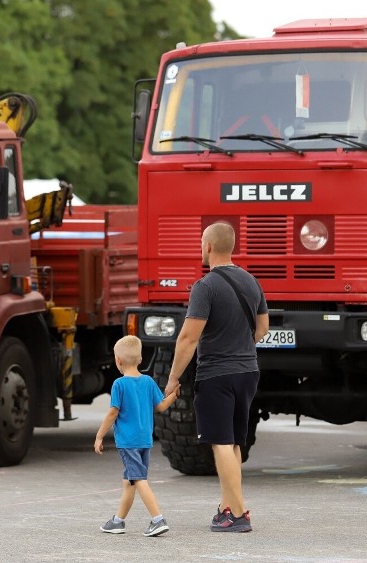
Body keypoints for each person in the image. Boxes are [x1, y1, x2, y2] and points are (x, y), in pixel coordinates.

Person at [163, 221, 269, 533]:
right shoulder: (251, 281)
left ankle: (238, 514)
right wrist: (239, 345)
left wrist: (173, 377)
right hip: (248, 371)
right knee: (234, 442)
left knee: (221, 443)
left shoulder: (205, 286)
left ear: (208, 246)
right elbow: (262, 329)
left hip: (216, 375)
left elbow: (188, 338)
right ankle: (227, 507)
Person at [94, 335, 179, 537]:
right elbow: (161, 406)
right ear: (140, 359)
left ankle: (158, 519)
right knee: (130, 481)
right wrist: (173, 396)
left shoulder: (119, 385)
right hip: (144, 441)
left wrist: (99, 436)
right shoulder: (148, 382)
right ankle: (118, 521)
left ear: (118, 361)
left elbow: (113, 412)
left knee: (139, 479)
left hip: (128, 442)